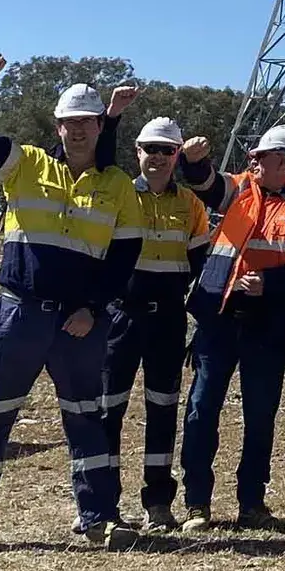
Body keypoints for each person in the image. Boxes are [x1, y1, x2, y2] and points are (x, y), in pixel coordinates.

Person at [0, 57, 145, 557]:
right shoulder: (26, 163)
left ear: (100, 126)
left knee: (85, 419)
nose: (78, 131)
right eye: (70, 122)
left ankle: (100, 519)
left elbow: (123, 257)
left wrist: (93, 307)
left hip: (80, 324)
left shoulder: (116, 186)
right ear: (59, 126)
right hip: (19, 315)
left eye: (88, 122)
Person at [177, 102, 285, 531]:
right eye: (254, 158)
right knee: (202, 409)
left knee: (260, 415)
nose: (254, 163)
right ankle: (197, 502)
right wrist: (193, 160)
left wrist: (272, 284)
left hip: (271, 325)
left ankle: (251, 501)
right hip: (220, 318)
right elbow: (205, 184)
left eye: (264, 158)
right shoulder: (240, 189)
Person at [104, 107, 211, 534]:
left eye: (167, 150)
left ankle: (158, 503)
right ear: (137, 152)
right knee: (107, 410)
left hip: (167, 321)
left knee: (163, 410)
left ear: (177, 155)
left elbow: (203, 266)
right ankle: (101, 502)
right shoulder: (118, 196)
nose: (158, 157)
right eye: (151, 149)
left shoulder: (191, 205)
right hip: (120, 319)